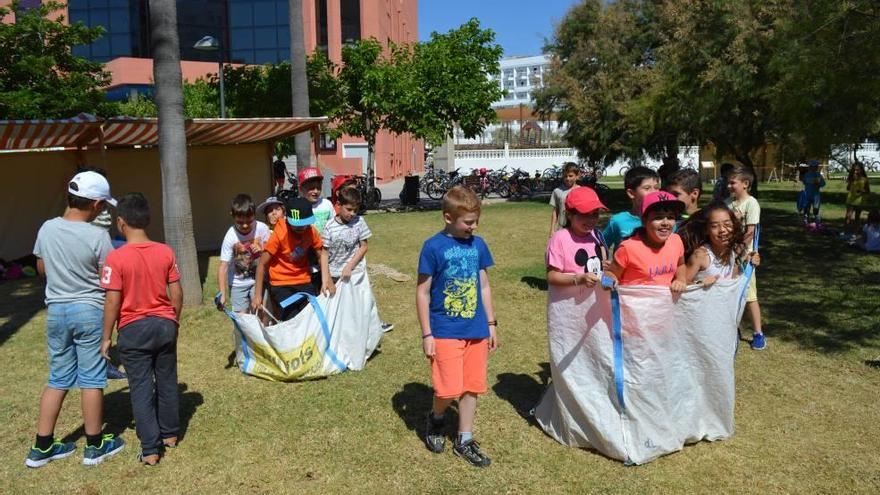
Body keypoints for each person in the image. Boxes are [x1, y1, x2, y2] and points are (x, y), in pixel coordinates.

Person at [26, 171, 125, 468]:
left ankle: (42, 446)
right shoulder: (98, 236)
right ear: (94, 204)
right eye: (103, 205)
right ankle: (95, 444)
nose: (105, 210)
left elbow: (41, 268)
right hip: (90, 311)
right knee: (92, 379)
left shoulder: (46, 228)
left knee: (58, 378)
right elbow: (108, 278)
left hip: (56, 311)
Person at [417, 186, 497, 468]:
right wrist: (427, 333)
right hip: (444, 329)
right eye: (468, 222)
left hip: (475, 329)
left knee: (472, 386)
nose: (473, 227)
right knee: (448, 389)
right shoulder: (433, 247)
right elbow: (423, 292)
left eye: (476, 221)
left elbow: (484, 285)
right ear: (448, 217)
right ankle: (436, 418)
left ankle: (464, 438)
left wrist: (491, 323)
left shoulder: (478, 245)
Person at [99, 193, 182, 466]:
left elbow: (112, 300)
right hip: (164, 325)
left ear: (121, 223)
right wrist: (174, 320)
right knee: (167, 380)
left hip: (133, 330)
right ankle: (170, 434)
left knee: (141, 388)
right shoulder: (165, 251)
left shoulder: (116, 258)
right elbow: (176, 291)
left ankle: (150, 449)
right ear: (147, 219)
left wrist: (106, 337)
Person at [252, 196, 331, 320]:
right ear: (287, 219)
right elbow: (262, 264)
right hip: (281, 283)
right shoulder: (280, 233)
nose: (301, 228)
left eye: (304, 224)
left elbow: (321, 255)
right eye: (296, 225)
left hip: (304, 280)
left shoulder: (311, 231)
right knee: (293, 318)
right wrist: (258, 295)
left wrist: (327, 281)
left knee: (311, 316)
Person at [604, 190, 688, 291]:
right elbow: (609, 274)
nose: (665, 223)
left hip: (665, 305)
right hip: (633, 305)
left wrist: (681, 279)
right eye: (658, 217)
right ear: (644, 221)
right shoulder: (628, 248)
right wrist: (609, 282)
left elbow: (681, 264)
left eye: (670, 217)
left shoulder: (676, 241)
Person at [725, 166, 766, 350]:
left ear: (745, 184)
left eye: (733, 182)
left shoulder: (751, 203)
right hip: (728, 254)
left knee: (749, 296)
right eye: (728, 182)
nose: (729, 185)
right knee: (730, 293)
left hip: (745, 257)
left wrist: (740, 251)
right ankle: (734, 329)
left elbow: (750, 232)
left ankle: (758, 333)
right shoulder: (728, 203)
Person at [683, 202, 759, 286]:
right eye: (714, 226)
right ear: (706, 230)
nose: (722, 229)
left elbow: (729, 278)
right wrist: (700, 283)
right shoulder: (700, 255)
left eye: (727, 224)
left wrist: (747, 262)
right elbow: (682, 283)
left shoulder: (730, 250)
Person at [546, 186, 608, 289]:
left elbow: (600, 272)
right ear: (569, 215)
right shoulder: (560, 239)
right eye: (584, 214)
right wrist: (579, 279)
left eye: (595, 214)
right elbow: (552, 276)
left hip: (594, 302)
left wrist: (610, 277)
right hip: (568, 303)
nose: (591, 220)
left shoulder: (597, 235)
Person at [218, 195, 270, 314]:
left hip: (258, 280)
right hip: (238, 284)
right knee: (242, 318)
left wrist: (262, 250)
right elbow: (223, 267)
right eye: (240, 222)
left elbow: (271, 253)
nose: (245, 225)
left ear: (254, 215)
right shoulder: (230, 236)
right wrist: (222, 294)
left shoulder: (262, 228)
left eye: (249, 221)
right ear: (233, 215)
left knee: (262, 312)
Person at [602, 166, 660, 252]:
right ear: (631, 193)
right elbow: (602, 245)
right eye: (647, 188)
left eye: (656, 187)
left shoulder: (666, 221)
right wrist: (606, 262)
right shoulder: (618, 220)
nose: (654, 192)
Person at [548, 162, 581, 237]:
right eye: (565, 176)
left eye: (570, 176)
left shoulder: (580, 190)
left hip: (578, 229)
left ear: (577, 176)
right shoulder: (557, 191)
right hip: (562, 228)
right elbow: (555, 211)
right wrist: (552, 229)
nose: (567, 178)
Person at [299, 167, 334, 232]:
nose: (316, 191)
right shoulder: (297, 206)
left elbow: (333, 225)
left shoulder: (327, 204)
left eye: (318, 188)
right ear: (301, 189)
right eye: (311, 188)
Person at [846, 162, 871, 231]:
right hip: (850, 200)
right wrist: (851, 181)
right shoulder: (851, 178)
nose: (855, 171)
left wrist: (862, 191)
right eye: (854, 170)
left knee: (857, 217)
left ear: (861, 170)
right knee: (848, 216)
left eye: (857, 170)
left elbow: (868, 191)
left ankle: (856, 231)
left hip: (860, 201)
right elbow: (848, 188)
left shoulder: (864, 180)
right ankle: (846, 230)